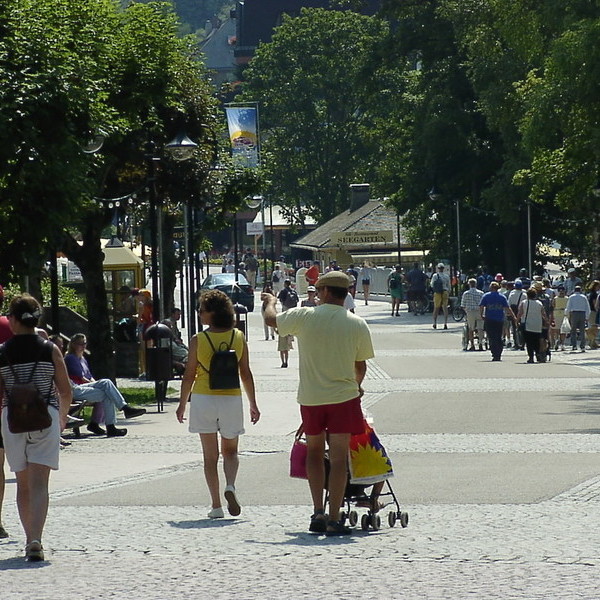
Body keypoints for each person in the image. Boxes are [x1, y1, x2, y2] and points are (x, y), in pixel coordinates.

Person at [262, 271, 374, 536]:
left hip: (311, 398)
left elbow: (270, 320)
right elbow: (361, 366)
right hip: (344, 398)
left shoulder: (305, 316)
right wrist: (356, 385)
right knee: (338, 459)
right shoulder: (357, 324)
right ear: (345, 293)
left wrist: (270, 301)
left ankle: (317, 512)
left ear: (323, 292)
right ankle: (335, 518)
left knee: (314, 453)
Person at [0, 294, 72, 561]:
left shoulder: (2, 352)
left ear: (15, 320)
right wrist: (61, 418)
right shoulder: (49, 349)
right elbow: (66, 390)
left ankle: (27, 534)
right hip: (46, 417)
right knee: (40, 483)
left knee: (22, 484)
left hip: (13, 420)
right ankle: (36, 539)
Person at [176, 290, 260, 519]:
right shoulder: (238, 337)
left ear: (212, 313)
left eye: (202, 310)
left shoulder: (198, 340)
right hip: (231, 398)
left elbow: (189, 375)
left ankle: (216, 506)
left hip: (204, 398)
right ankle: (230, 486)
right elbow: (245, 373)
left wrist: (182, 404)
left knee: (209, 456)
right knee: (231, 451)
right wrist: (253, 403)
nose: (200, 314)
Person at [64, 334, 146, 437]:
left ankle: (112, 425)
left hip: (84, 388)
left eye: (85, 343)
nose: (83, 346)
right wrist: (97, 385)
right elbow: (82, 378)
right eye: (80, 344)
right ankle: (123, 411)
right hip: (75, 389)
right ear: (73, 345)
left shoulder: (83, 359)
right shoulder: (71, 358)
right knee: (106, 384)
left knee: (107, 391)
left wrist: (97, 384)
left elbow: (90, 377)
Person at [479, 282, 516, 361]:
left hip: (489, 319)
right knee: (498, 336)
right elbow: (507, 308)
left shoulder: (486, 296)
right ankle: (498, 352)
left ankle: (494, 353)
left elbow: (481, 306)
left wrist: (481, 315)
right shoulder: (502, 297)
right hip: (499, 319)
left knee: (491, 337)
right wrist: (514, 317)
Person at [162, 308, 189, 372]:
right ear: (173, 314)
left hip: (175, 344)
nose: (179, 316)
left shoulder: (174, 323)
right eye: (177, 314)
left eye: (180, 314)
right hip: (172, 345)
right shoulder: (168, 322)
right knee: (186, 353)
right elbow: (173, 337)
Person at [460, 278, 484, 351]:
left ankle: (472, 345)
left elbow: (463, 305)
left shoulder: (466, 293)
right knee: (480, 329)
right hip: (479, 311)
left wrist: (466, 311)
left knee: (471, 329)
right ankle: (480, 344)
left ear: (469, 284)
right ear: (476, 284)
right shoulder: (481, 293)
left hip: (470, 312)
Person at [565, 285, 590, 352]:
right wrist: (587, 317)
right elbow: (587, 307)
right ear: (580, 290)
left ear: (574, 290)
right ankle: (582, 346)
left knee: (573, 330)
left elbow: (568, 306)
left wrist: (567, 314)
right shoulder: (584, 297)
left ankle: (574, 345)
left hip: (574, 313)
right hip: (582, 313)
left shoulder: (571, 297)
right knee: (582, 330)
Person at [431, 263, 450, 329]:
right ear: (443, 268)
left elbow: (432, 285)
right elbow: (449, 286)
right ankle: (445, 323)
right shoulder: (446, 276)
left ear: (438, 268)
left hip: (437, 293)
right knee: (445, 308)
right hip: (445, 292)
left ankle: (434, 323)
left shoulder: (435, 276)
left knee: (436, 308)